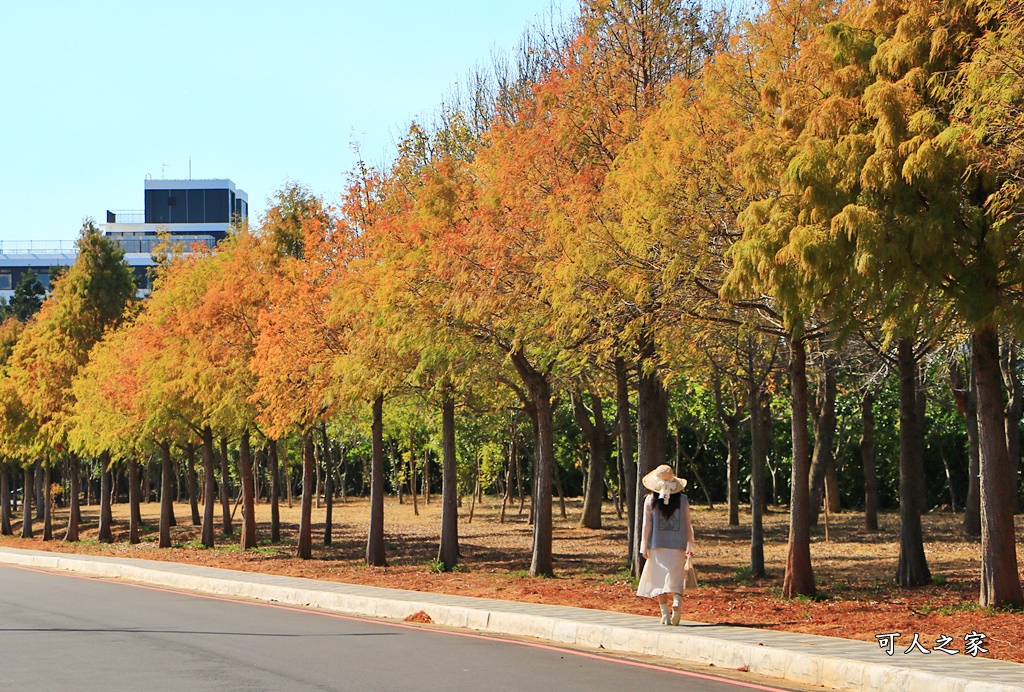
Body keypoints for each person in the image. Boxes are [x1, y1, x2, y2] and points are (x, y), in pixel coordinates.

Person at [636, 464, 694, 625]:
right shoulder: (683, 500)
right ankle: (677, 601)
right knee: (675, 577)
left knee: (658, 580)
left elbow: (646, 525)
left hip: (657, 544)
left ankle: (665, 614)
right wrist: (691, 545)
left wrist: (644, 545)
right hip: (678, 545)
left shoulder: (650, 499)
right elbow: (688, 524)